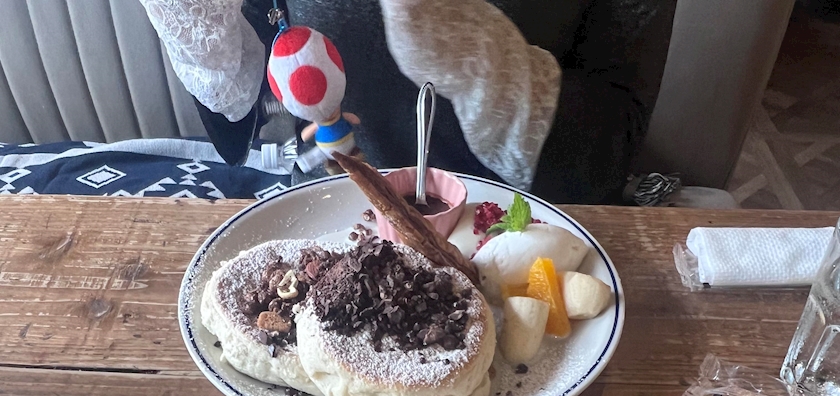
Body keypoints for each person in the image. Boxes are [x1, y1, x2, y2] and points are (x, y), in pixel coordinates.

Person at [140, 0, 677, 205]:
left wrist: (480, 51)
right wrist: (202, 37)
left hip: (524, 231)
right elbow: (246, 110)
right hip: (336, 211)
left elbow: (608, 157)